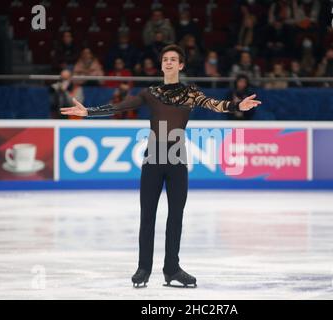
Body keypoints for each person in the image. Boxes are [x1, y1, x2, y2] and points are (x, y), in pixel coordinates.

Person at [60, 44, 261, 288]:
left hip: (177, 160)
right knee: (148, 216)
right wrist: (88, 112)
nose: (168, 62)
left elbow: (215, 104)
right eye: (165, 59)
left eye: (173, 59)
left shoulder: (191, 93)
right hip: (153, 158)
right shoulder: (150, 93)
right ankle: (143, 268)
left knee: (175, 217)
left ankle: (172, 269)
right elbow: (120, 106)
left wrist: (237, 106)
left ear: (181, 65)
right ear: (162, 64)